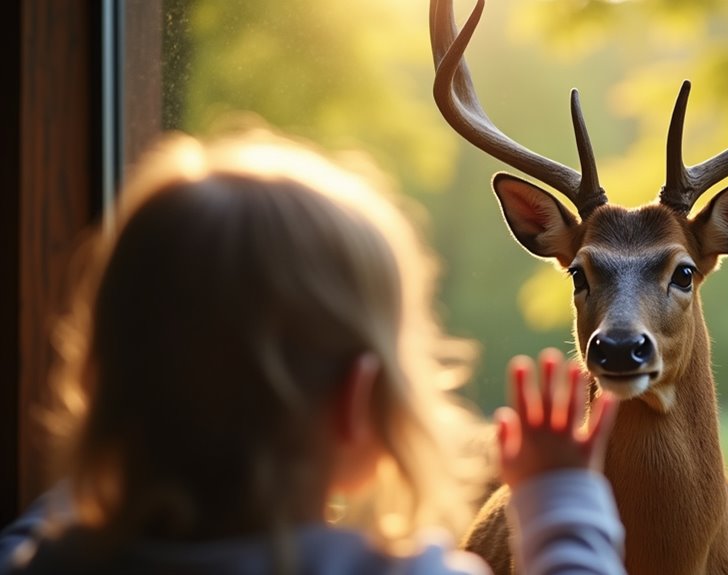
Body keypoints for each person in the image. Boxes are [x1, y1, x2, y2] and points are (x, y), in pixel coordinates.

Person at [0, 132, 622, 574]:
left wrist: (95, 490)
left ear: (103, 384)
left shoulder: (52, 558)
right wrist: (560, 500)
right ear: (358, 401)